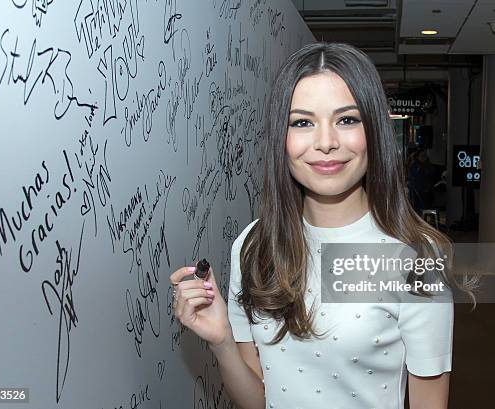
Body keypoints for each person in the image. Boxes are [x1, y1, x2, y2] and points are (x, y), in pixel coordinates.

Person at [170, 42, 474, 409]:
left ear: (374, 131)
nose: (326, 142)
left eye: (347, 119)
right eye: (302, 122)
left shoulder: (416, 258)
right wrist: (222, 341)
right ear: (281, 139)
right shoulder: (253, 246)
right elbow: (258, 401)